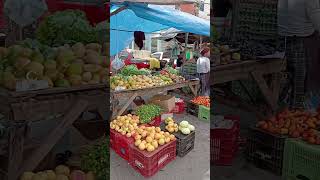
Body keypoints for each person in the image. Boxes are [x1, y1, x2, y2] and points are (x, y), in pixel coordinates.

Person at [278, 0, 320, 109]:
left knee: (291, 76)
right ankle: (296, 112)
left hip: (284, 38)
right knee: (300, 79)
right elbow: (317, 21)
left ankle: (285, 108)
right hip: (301, 40)